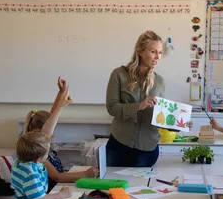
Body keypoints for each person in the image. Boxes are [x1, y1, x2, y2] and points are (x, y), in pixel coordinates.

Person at [105, 30, 166, 167]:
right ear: (140, 51)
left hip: (147, 149)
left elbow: (160, 115)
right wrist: (139, 106)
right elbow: (111, 107)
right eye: (153, 52)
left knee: (139, 188)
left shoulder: (160, 82)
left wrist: (178, 123)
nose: (157, 57)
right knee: (113, 187)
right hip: (119, 146)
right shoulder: (119, 74)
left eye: (160, 52)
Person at [23, 77, 96, 189]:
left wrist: (61, 93)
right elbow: (57, 177)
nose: (53, 134)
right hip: (51, 191)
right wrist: (85, 174)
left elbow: (52, 116)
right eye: (51, 131)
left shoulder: (39, 141)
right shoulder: (38, 153)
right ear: (41, 132)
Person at [9, 129, 71, 199]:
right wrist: (62, 194)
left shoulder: (21, 162)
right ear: (38, 159)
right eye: (47, 153)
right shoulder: (29, 172)